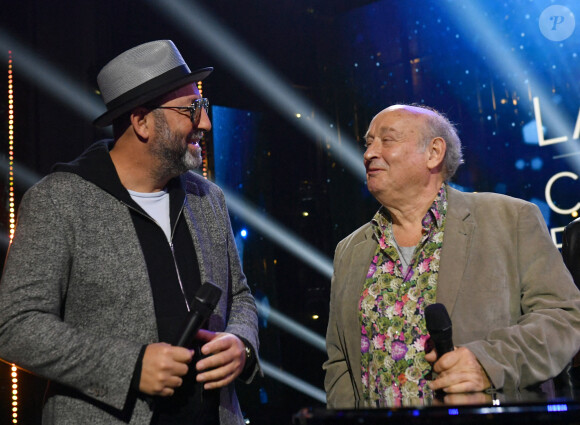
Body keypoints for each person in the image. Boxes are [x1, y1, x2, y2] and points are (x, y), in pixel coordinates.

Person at [0, 40, 259, 424]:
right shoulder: (60, 200)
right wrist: (130, 366)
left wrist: (242, 342)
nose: (204, 122)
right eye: (191, 109)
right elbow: (14, 325)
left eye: (201, 107)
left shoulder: (208, 198)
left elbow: (239, 296)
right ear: (141, 122)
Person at [323, 104, 580, 408]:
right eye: (368, 143)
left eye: (387, 140)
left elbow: (565, 318)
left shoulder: (511, 219)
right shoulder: (350, 250)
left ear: (434, 153)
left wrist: (489, 364)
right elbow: (340, 364)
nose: (369, 154)